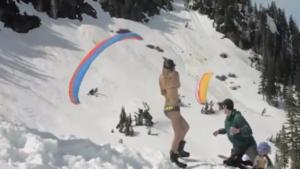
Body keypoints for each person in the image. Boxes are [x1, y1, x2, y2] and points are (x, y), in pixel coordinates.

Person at [159, 58, 190, 168]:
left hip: (169, 107)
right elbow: (178, 84)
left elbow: (162, 92)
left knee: (185, 127)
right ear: (171, 68)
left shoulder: (161, 77)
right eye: (173, 66)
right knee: (178, 134)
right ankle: (174, 155)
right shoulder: (175, 75)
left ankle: (179, 149)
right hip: (173, 108)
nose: (175, 68)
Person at [213, 98, 258, 168]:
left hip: (248, 145)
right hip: (238, 147)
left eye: (223, 106)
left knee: (258, 165)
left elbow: (249, 130)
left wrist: (238, 130)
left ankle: (250, 162)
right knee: (230, 163)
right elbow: (227, 129)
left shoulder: (238, 117)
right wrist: (219, 131)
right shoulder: (227, 119)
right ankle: (243, 162)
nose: (222, 108)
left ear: (226, 107)